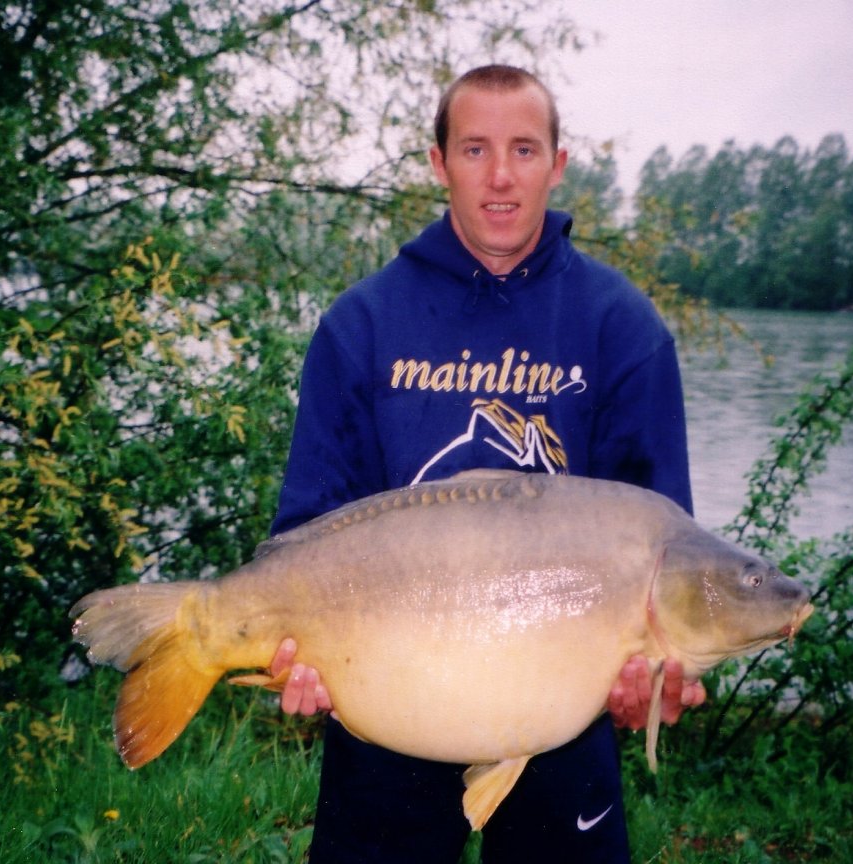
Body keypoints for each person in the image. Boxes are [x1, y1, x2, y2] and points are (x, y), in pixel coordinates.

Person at [268, 64, 706, 864]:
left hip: (559, 717)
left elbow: (664, 549)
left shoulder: (623, 328)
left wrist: (652, 668)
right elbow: (305, 529)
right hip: (387, 703)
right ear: (438, 163)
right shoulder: (360, 324)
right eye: (474, 149)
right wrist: (297, 655)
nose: (500, 176)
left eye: (524, 149)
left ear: (558, 163)